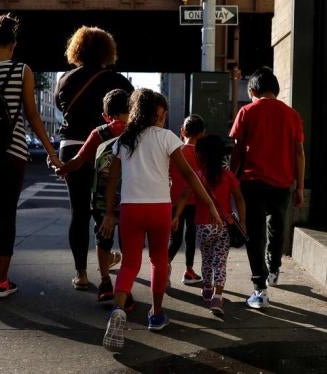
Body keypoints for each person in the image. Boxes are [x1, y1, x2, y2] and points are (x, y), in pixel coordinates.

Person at [100, 89, 222, 352]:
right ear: (158, 114)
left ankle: (117, 311)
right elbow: (190, 176)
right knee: (158, 261)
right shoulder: (167, 138)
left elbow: (112, 180)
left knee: (129, 264)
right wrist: (210, 203)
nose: (165, 117)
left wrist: (110, 213)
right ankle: (156, 315)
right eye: (163, 113)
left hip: (130, 208)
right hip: (159, 209)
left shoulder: (124, 140)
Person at [0, 13, 62, 298]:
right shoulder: (22, 70)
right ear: (13, 46)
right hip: (12, 151)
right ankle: (2, 282)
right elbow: (33, 116)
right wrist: (51, 152)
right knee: (7, 215)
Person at [55, 26, 134, 289]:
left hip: (71, 146)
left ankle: (81, 273)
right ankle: (105, 264)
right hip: (107, 148)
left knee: (78, 212)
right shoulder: (119, 82)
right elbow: (132, 113)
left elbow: (61, 108)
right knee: (104, 209)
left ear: (76, 49)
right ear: (107, 51)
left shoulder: (65, 80)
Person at [229, 66, 305, 309]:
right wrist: (300, 187)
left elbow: (238, 150)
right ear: (276, 90)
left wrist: (230, 179)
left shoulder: (247, 111)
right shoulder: (292, 115)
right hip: (283, 184)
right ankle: (274, 269)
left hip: (253, 182)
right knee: (277, 226)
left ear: (252, 90)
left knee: (255, 234)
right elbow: (300, 153)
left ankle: (260, 288)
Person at [55, 88, 135, 311]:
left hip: (101, 199)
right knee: (129, 244)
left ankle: (105, 283)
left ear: (105, 115)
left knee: (103, 240)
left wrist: (62, 168)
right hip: (131, 198)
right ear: (131, 110)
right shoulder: (137, 132)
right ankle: (125, 290)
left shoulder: (99, 133)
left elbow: (79, 160)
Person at [173, 134, 246, 316]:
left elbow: (183, 197)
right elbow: (239, 198)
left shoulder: (198, 176)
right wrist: (242, 222)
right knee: (220, 261)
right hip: (224, 226)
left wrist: (176, 217)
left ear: (201, 155)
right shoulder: (228, 175)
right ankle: (217, 296)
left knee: (206, 258)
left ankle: (207, 287)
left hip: (203, 226)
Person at [168, 114, 205, 286]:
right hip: (194, 202)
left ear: (182, 131)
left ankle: (164, 266)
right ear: (202, 134)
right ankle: (189, 271)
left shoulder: (175, 152)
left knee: (174, 239)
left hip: (174, 201)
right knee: (191, 237)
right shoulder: (201, 156)